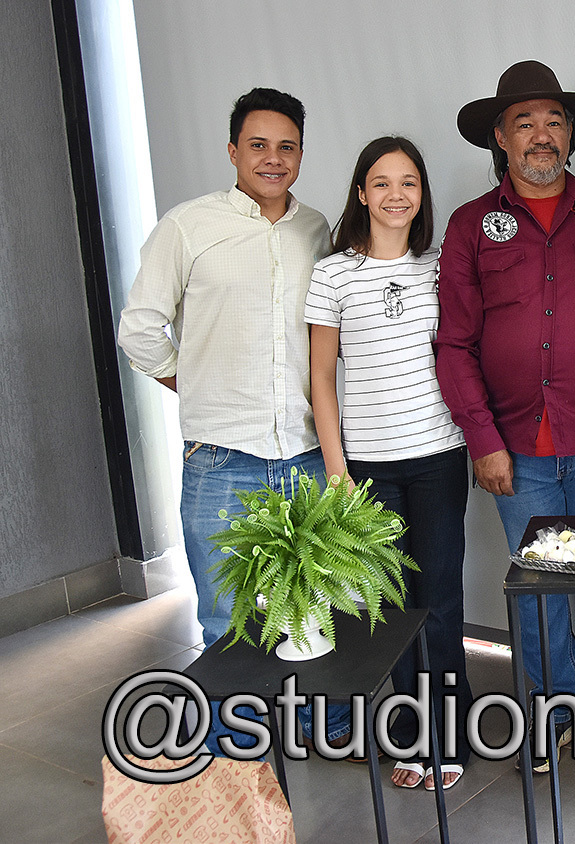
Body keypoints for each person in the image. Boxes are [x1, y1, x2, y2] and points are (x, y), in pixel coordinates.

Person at [117, 88, 349, 752]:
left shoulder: (316, 229)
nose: (273, 159)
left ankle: (326, 726)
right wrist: (192, 382)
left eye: (286, 147)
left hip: (304, 452)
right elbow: (139, 331)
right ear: (232, 151)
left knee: (311, 607)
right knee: (228, 617)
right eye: (258, 145)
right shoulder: (187, 227)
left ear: (300, 154)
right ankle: (234, 747)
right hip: (222, 458)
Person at [435, 60, 575, 770]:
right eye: (525, 122)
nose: (541, 135)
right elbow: (454, 343)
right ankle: (553, 707)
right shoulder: (470, 224)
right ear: (501, 137)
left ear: (571, 135)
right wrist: (481, 439)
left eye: (554, 121)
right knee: (537, 584)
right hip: (515, 444)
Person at [304, 136, 472, 791]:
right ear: (361, 193)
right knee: (390, 605)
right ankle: (409, 731)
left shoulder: (438, 267)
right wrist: (337, 469)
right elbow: (321, 379)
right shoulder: (333, 274)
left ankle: (448, 734)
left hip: (438, 457)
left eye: (408, 183)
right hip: (368, 467)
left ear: (421, 194)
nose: (395, 195)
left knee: (441, 601)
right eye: (382, 182)